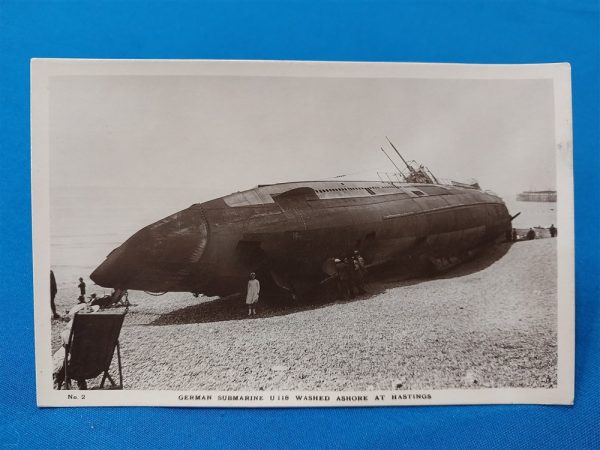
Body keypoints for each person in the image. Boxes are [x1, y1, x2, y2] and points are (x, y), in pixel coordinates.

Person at [52, 303, 100, 390]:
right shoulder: (99, 328)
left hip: (75, 366)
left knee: (60, 355)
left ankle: (59, 385)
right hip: (96, 363)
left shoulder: (71, 333)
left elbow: (68, 345)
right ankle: (80, 384)